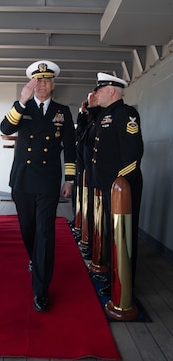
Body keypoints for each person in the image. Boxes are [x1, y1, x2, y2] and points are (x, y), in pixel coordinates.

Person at [0, 60, 76, 312]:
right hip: (22, 179)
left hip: (47, 181)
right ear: (32, 84)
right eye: (38, 80)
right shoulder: (22, 107)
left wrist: (70, 178)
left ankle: (40, 290)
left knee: (45, 233)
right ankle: (34, 257)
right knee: (27, 228)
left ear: (53, 84)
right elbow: (5, 127)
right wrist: (21, 101)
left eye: (46, 80)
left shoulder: (62, 111)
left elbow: (70, 148)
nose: (42, 85)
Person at [91, 72, 144, 296]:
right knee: (111, 234)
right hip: (108, 186)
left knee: (122, 236)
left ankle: (124, 284)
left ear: (112, 91)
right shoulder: (107, 114)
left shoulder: (126, 114)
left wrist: (118, 183)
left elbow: (133, 156)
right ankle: (114, 275)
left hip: (121, 187)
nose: (96, 93)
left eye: (100, 90)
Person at [76, 91, 101, 260]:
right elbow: (81, 135)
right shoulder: (92, 124)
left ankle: (97, 251)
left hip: (99, 177)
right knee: (90, 212)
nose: (89, 101)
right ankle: (92, 246)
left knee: (99, 218)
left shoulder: (101, 121)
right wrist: (82, 113)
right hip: (89, 174)